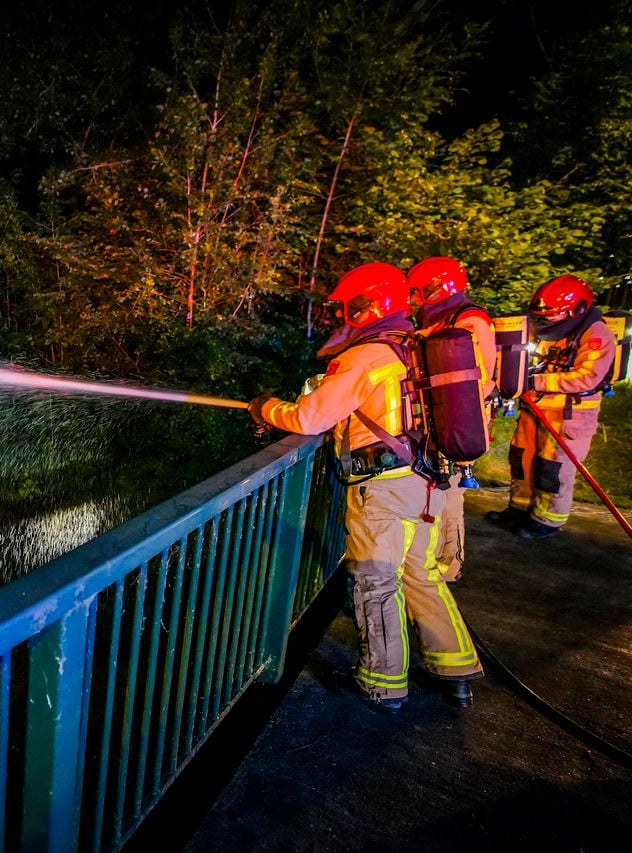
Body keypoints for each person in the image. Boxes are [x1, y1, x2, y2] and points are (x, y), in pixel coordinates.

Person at [250, 262, 483, 712]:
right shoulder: (415, 346)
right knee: (423, 575)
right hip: (427, 481)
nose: (342, 317)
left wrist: (265, 408)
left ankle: (383, 684)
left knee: (376, 582)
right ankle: (455, 671)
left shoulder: (366, 356)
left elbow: (309, 417)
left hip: (383, 490)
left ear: (365, 306)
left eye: (346, 308)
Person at [485, 275, 616, 540]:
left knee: (552, 469)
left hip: (568, 416)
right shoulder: (549, 329)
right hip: (534, 409)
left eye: (553, 314)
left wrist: (536, 380)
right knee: (522, 459)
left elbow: (587, 377)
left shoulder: (596, 335)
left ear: (577, 310)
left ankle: (547, 520)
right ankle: (519, 508)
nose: (546, 319)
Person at [407, 256, 496, 583]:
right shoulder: (441, 317)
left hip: (457, 421)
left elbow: (473, 379)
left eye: (419, 291)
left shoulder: (469, 320)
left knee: (451, 496)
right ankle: (434, 561)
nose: (414, 299)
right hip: (441, 418)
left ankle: (449, 565)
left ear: (437, 288)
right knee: (438, 492)